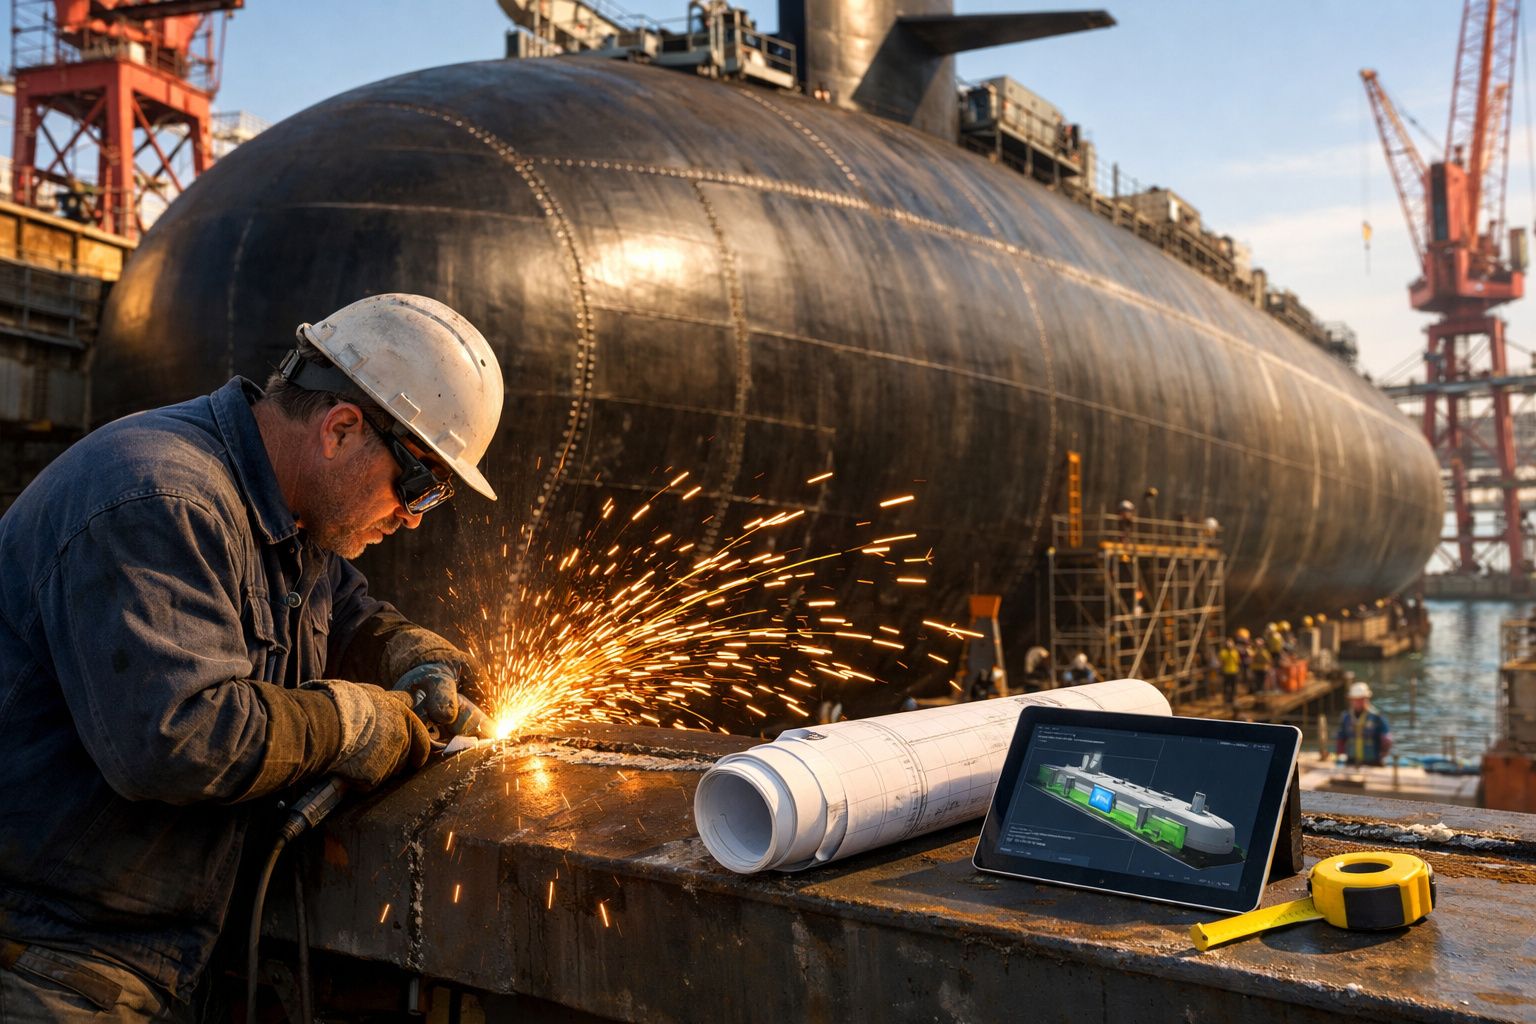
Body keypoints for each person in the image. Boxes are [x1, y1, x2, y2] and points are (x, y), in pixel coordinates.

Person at [0, 294, 504, 1021]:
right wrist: (350, 723)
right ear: (341, 429)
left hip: (158, 949)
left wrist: (412, 655)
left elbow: (346, 613)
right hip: (48, 959)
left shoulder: (287, 514)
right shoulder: (159, 499)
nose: (411, 517)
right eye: (417, 486)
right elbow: (176, 737)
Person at [1336, 681, 1393, 766]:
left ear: (1367, 699)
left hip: (1373, 762)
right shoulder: (1346, 717)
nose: (1358, 702)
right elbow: (1341, 738)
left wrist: (1383, 755)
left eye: (1362, 699)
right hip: (1352, 761)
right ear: (1351, 700)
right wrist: (1340, 755)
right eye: (1356, 699)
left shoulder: (1376, 717)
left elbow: (1387, 739)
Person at [1217, 636, 1242, 707]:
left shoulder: (1235, 652)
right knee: (1226, 686)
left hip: (1234, 671)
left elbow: (1238, 661)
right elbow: (1221, 661)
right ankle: (1226, 700)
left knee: (1234, 686)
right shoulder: (1223, 652)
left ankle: (1233, 699)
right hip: (1226, 672)